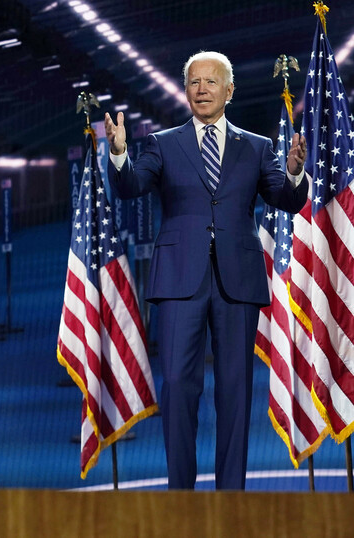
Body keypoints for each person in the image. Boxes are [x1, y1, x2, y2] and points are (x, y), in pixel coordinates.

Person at [103, 51, 308, 490]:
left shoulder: (257, 147)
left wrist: (293, 175)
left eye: (211, 82)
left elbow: (285, 199)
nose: (201, 89)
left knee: (235, 391)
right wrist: (119, 154)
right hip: (179, 280)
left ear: (229, 91)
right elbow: (130, 186)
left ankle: (229, 497)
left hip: (238, 282)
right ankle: (182, 495)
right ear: (186, 90)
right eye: (194, 82)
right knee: (177, 385)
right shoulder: (162, 143)